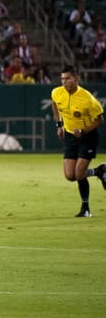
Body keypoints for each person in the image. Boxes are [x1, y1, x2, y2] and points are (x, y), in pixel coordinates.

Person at [50, 65, 105, 218]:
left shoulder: (88, 99)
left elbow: (99, 120)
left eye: (67, 78)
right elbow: (54, 103)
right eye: (62, 79)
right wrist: (59, 125)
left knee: (79, 173)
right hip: (70, 136)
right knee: (70, 175)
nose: (64, 82)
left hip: (87, 137)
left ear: (76, 79)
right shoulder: (57, 92)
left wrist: (83, 131)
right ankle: (99, 171)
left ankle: (85, 208)